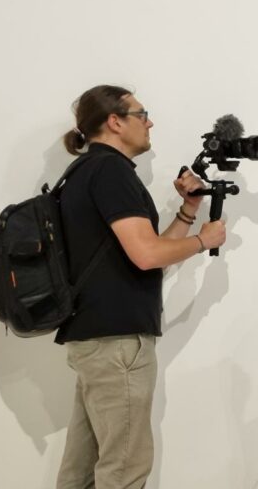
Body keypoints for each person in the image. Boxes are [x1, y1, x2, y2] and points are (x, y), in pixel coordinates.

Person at [55, 85, 227, 489]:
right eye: (142, 114)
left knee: (82, 472)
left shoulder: (84, 171)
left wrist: (188, 211)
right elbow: (147, 255)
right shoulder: (110, 172)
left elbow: (146, 253)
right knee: (124, 471)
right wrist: (204, 241)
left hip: (95, 338)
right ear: (115, 122)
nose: (150, 123)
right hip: (117, 344)